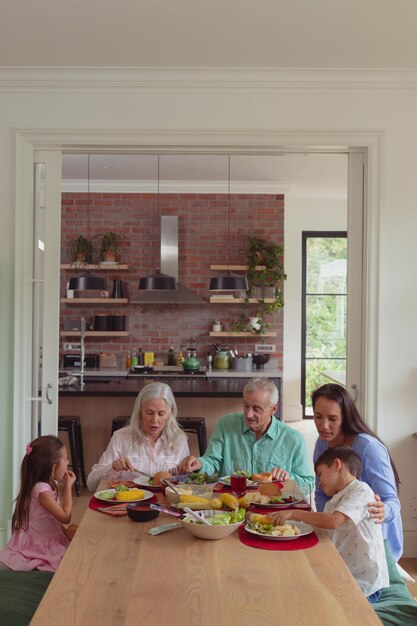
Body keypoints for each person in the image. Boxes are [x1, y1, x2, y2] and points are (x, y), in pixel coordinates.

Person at [270, 446, 389, 603]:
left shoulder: (362, 491)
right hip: (343, 573)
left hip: (363, 583)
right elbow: (320, 527)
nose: (319, 483)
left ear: (337, 465)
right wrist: (286, 521)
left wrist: (293, 513)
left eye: (320, 474)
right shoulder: (334, 501)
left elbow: (333, 521)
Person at [311, 383, 403, 563]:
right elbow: (321, 492)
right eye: (318, 417)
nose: (324, 426)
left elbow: (391, 501)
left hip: (374, 542)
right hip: (341, 533)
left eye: (333, 418)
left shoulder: (369, 448)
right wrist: (328, 523)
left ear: (345, 417)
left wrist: (384, 509)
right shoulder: (321, 444)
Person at [178, 378, 314, 491]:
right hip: (231, 502)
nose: (248, 414)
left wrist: (289, 479)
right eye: (246, 406)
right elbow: (212, 461)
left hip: (273, 508)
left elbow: (308, 484)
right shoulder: (226, 424)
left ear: (274, 409)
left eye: (256, 409)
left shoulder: (294, 440)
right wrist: (199, 464)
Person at [87, 382, 190, 492]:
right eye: (149, 413)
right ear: (140, 411)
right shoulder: (121, 437)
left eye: (161, 414)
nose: (155, 420)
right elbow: (92, 484)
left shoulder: (179, 439)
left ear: (170, 412)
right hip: (129, 503)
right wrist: (112, 468)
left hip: (166, 502)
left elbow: (186, 483)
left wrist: (185, 473)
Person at [0, 435, 76, 572]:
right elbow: (65, 517)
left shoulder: (50, 485)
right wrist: (68, 487)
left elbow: (53, 521)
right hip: (37, 542)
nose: (68, 461)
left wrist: (66, 535)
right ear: (53, 468)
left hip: (49, 536)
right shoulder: (41, 490)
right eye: (65, 458)